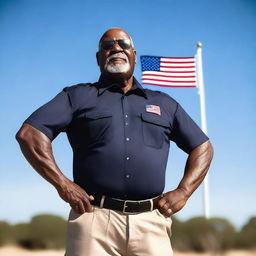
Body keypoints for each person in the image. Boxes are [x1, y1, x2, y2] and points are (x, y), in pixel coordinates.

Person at [16, 27, 214, 256]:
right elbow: (29, 134)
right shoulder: (77, 96)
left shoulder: (165, 104)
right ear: (99, 57)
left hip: (151, 223)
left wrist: (184, 190)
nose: (116, 48)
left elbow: (203, 146)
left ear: (134, 54)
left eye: (123, 44)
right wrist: (63, 184)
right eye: (107, 46)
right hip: (94, 221)